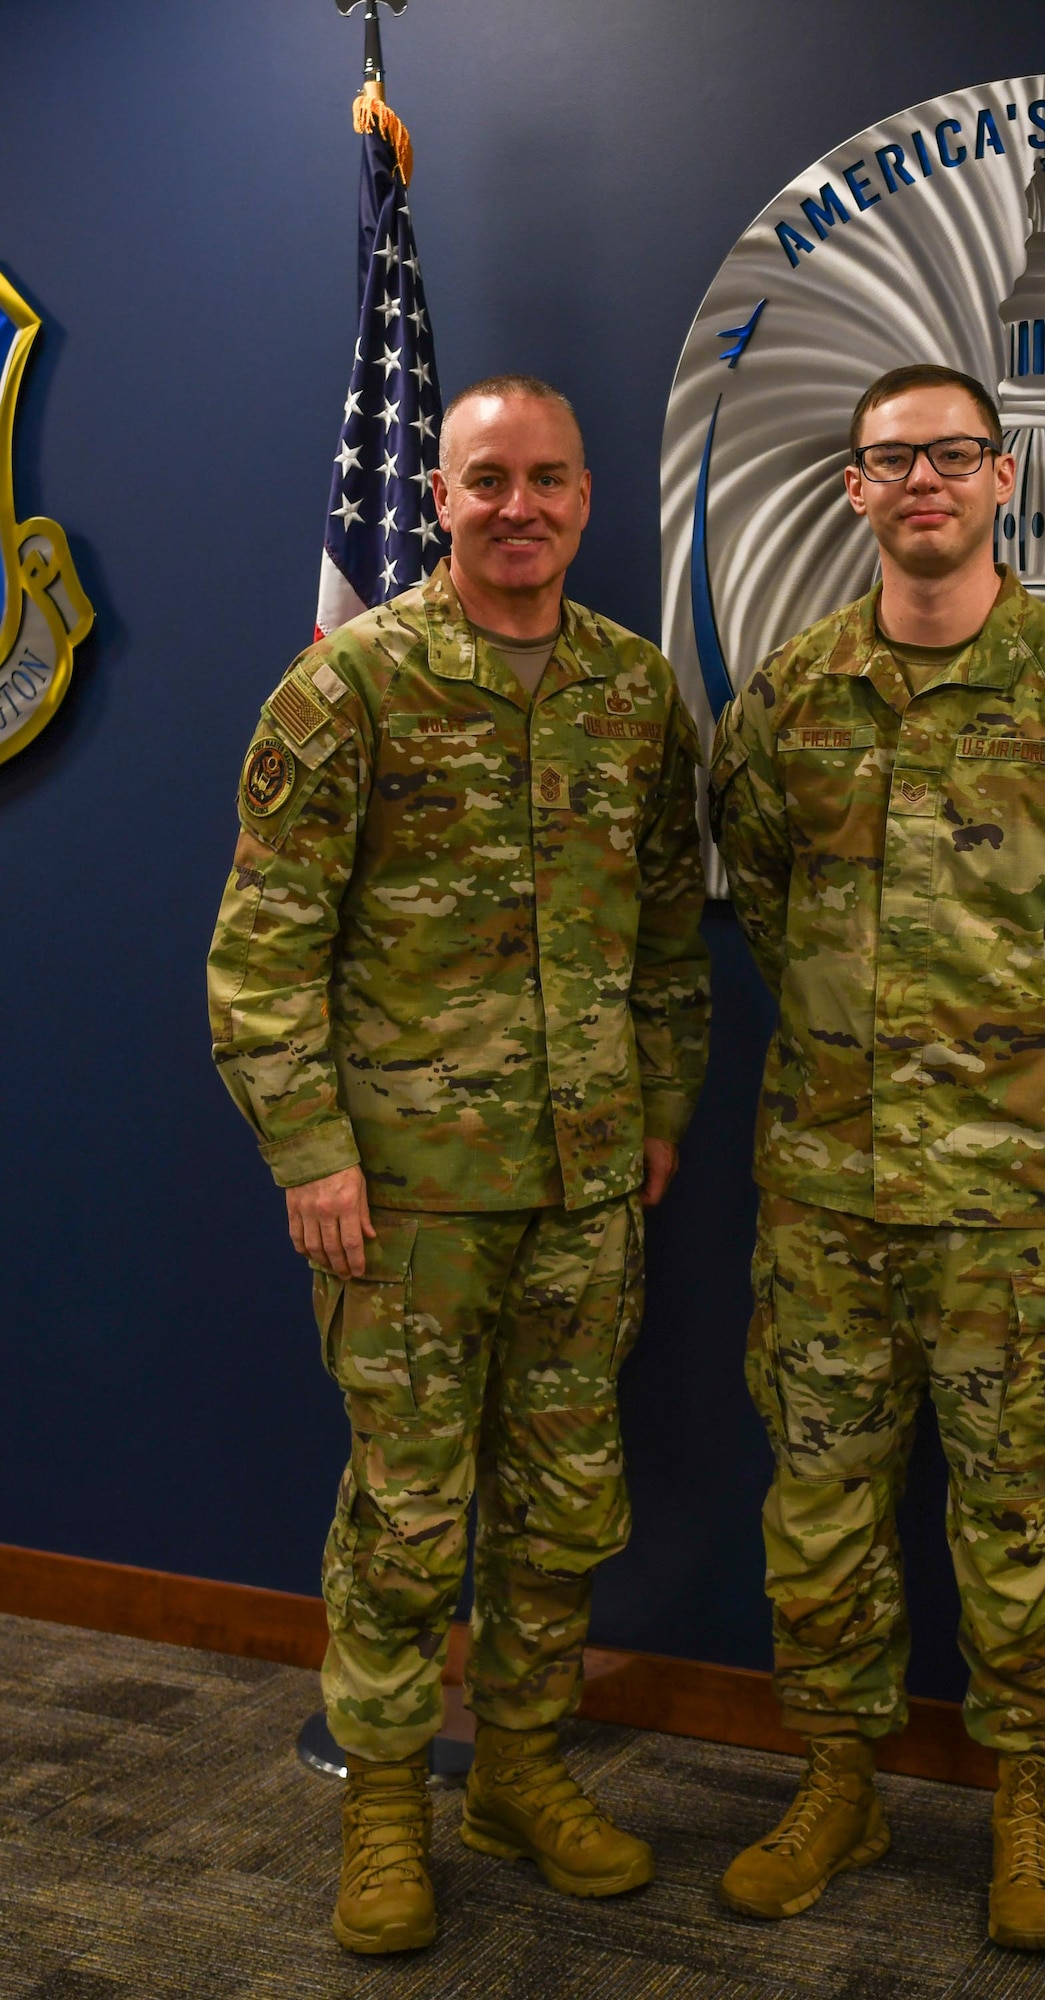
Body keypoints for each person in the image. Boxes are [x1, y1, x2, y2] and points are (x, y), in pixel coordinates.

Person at [710, 362, 1045, 1951]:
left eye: (951, 456)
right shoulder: (786, 702)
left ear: (999, 482)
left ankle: (1026, 1810)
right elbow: (770, 904)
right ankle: (839, 1783)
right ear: (852, 492)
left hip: (1021, 1208)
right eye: (888, 460)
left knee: (1019, 1518)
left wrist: (1038, 1076)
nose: (920, 481)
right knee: (821, 1507)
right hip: (827, 1199)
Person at [208, 375, 709, 1956]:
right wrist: (309, 1150)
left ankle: (523, 1776)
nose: (520, 508)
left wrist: (658, 1112)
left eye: (547, 480)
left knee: (564, 1514)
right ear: (439, 497)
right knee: (409, 1521)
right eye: (487, 480)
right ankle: (382, 1806)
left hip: (582, 1191)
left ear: (582, 498)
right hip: (404, 1196)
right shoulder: (348, 688)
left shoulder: (635, 695)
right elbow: (262, 952)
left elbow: (669, 944)